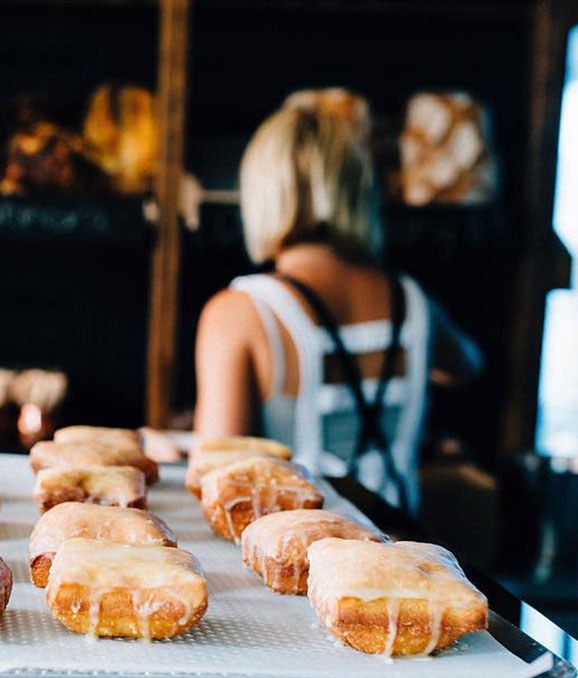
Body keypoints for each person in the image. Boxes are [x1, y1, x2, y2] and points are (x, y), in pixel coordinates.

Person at [194, 104, 482, 511]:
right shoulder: (412, 299)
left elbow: (216, 476)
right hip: (404, 553)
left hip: (298, 557)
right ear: (356, 188)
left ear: (260, 194)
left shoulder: (239, 312)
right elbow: (467, 365)